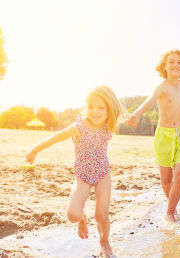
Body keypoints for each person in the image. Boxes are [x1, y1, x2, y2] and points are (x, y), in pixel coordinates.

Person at [26, 85, 124, 257]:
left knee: (101, 216)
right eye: (91, 106)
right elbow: (54, 138)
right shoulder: (78, 127)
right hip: (83, 176)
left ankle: (104, 241)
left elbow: (124, 114)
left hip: (103, 174)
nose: (95, 111)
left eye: (101, 107)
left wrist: (134, 116)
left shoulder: (108, 126)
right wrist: (35, 149)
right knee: (72, 215)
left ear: (109, 109)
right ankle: (82, 218)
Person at [127, 49, 180, 223]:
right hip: (164, 135)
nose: (175, 65)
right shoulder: (162, 86)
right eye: (171, 62)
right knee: (166, 179)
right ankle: (174, 205)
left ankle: (170, 212)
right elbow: (149, 101)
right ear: (164, 66)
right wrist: (137, 113)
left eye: (179, 62)